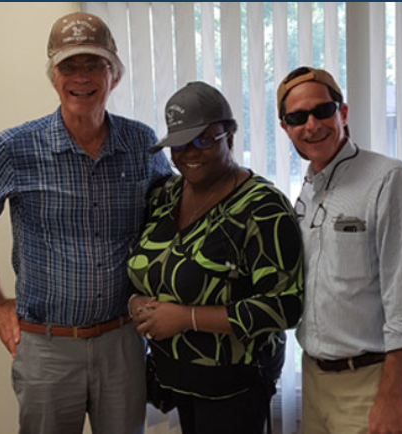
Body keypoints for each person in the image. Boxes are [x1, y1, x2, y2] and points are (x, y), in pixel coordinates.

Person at [0, 12, 171, 434]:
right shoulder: (17, 147)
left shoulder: (142, 143)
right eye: (68, 66)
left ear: (115, 75)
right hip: (47, 347)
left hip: (122, 342)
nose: (81, 77)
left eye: (94, 64)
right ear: (53, 76)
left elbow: (170, 217)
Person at [127, 81, 304, 434]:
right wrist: (133, 302)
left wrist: (185, 318)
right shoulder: (164, 195)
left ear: (231, 136)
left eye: (204, 139)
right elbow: (142, 264)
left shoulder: (262, 206)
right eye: (179, 143)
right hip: (174, 378)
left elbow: (285, 305)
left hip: (233, 386)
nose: (190, 152)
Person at [277, 66, 402, 434]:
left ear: (342, 113)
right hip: (316, 381)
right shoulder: (310, 189)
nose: (312, 125)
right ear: (285, 127)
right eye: (298, 117)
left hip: (372, 385)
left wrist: (391, 397)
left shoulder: (391, 180)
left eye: (323, 110)